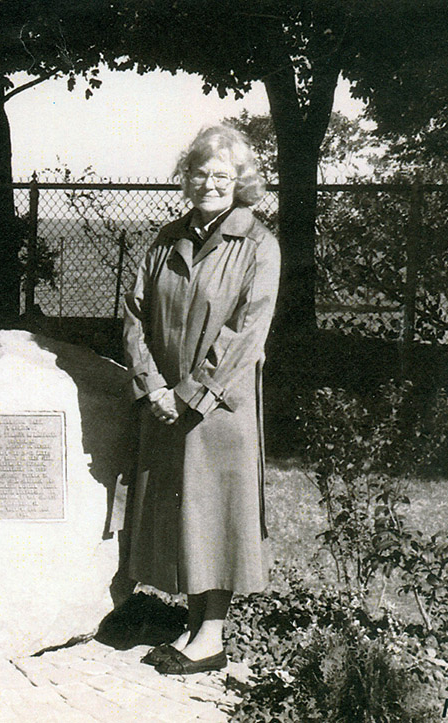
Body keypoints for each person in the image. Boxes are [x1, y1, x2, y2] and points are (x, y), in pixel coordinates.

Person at [122, 122, 279, 675]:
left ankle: (211, 636)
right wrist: (153, 387)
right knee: (185, 516)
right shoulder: (166, 240)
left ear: (242, 181)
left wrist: (189, 393)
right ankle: (194, 627)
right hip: (166, 404)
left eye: (222, 174)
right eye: (200, 172)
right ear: (186, 178)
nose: (210, 183)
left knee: (216, 516)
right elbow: (136, 315)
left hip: (218, 410)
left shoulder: (260, 245)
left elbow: (246, 335)